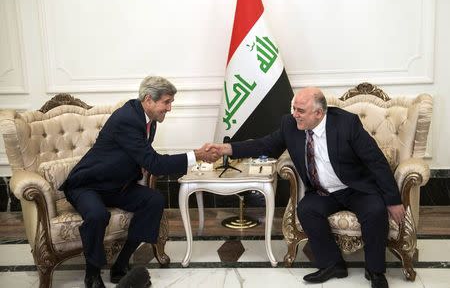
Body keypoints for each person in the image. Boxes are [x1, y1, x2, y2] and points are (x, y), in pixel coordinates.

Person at [206, 87, 405, 288]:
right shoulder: (290, 125)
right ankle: (333, 264)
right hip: (323, 191)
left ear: (318, 113)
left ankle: (375, 270)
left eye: (300, 110)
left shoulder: (346, 123)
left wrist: (393, 200)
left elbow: (376, 161)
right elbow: (264, 145)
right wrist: (227, 149)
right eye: (294, 108)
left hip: (354, 187)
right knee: (307, 209)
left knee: (375, 210)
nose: (294, 114)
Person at [60, 76, 219, 288]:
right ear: (149, 99)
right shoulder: (127, 118)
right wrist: (196, 155)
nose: (169, 108)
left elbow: (144, 156)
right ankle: (92, 274)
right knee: (98, 215)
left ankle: (121, 264)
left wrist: (144, 163)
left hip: (116, 184)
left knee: (153, 200)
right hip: (87, 185)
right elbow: (155, 164)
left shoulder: (148, 120)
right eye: (167, 102)